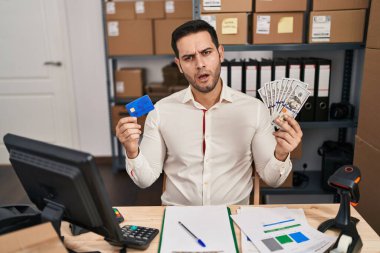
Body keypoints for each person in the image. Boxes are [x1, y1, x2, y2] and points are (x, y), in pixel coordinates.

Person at [116, 20, 302, 206]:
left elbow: (273, 180)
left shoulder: (254, 109)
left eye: (206, 53)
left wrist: (281, 153)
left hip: (234, 217)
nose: (200, 64)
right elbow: (144, 180)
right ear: (179, 65)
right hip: (178, 217)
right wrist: (132, 150)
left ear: (220, 53)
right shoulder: (160, 112)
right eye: (188, 58)